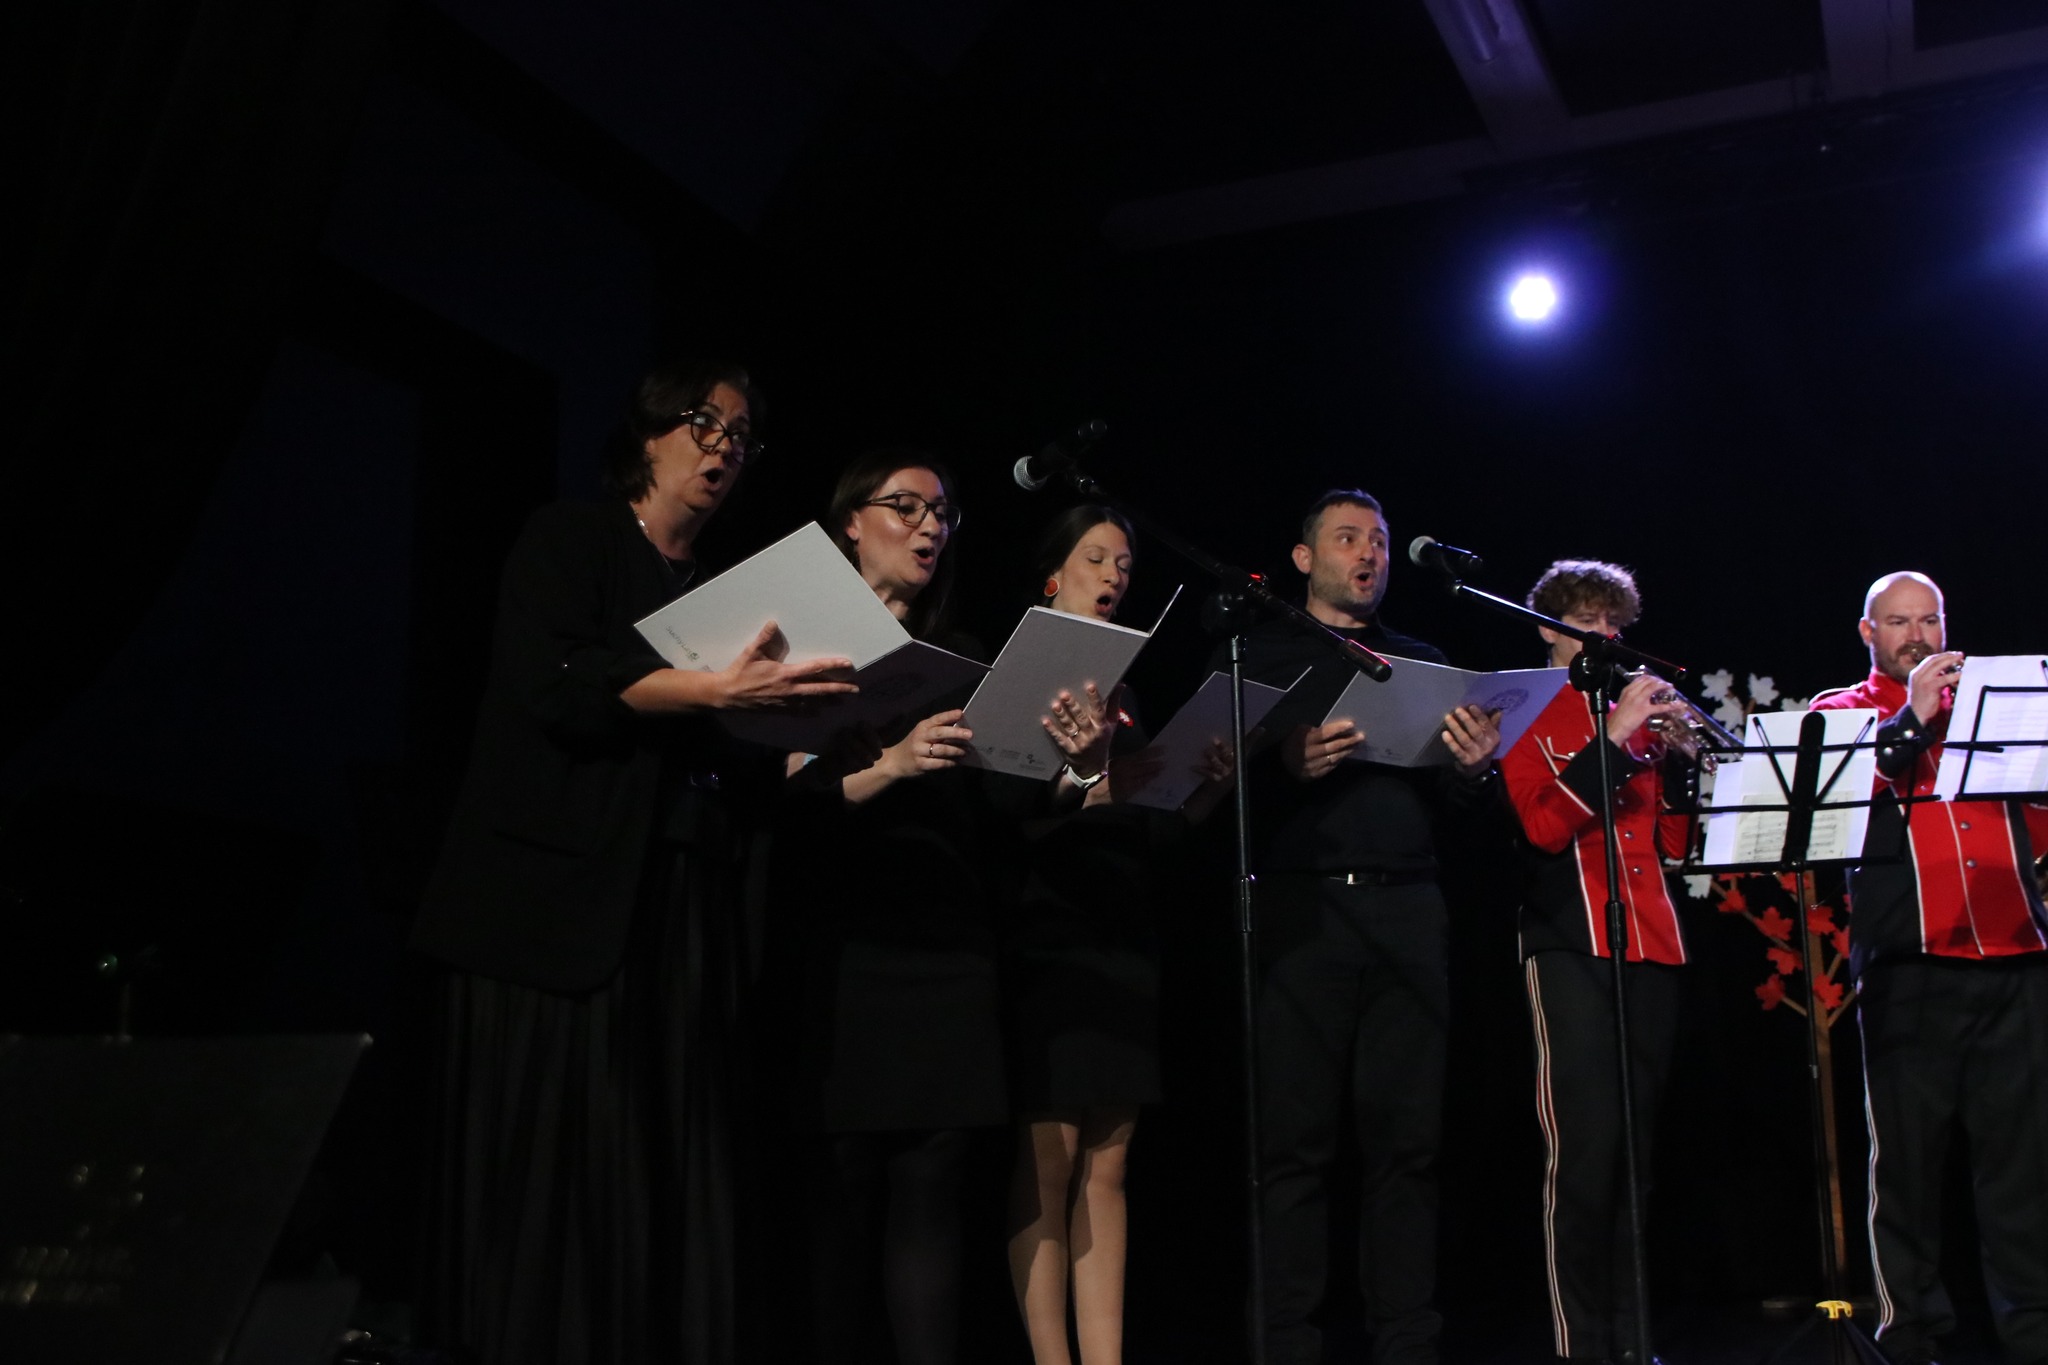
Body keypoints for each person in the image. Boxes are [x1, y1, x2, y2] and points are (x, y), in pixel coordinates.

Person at [411, 361, 858, 1365]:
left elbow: (740, 757)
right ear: (648, 433)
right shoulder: (571, 539)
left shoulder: (725, 592)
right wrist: (712, 693)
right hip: (558, 905)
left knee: (670, 1147)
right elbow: (558, 681)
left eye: (741, 436)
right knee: (561, 1154)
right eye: (705, 423)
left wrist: (823, 727)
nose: (724, 448)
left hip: (684, 897)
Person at [1224, 489, 1501, 1365]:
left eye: (1378, 540)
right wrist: (1286, 761)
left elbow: (1457, 810)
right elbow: (1213, 788)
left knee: (1407, 1143)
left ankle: (1407, 1340)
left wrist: (1473, 770)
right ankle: (1286, 1342)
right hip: (1304, 910)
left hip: (1410, 907)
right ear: (1304, 558)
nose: (1369, 553)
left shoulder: (1420, 661)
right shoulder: (1261, 652)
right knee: (1294, 1144)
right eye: (1347, 538)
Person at [1003, 504, 1232, 1365]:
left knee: (1110, 1162)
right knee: (1051, 1160)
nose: (1113, 575)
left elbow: (1151, 832)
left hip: (1124, 933)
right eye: (1095, 557)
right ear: (1052, 575)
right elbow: (1009, 817)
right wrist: (1087, 780)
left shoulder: (1127, 693)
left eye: (1124, 565)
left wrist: (1206, 789)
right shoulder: (1022, 674)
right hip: (1049, 933)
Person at [791, 450, 1005, 1365]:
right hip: (847, 941)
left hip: (948, 944)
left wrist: (1074, 764)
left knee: (934, 1181)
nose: (929, 526)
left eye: (942, 513)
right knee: (841, 1187)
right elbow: (786, 803)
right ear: (852, 522)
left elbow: (1005, 808)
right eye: (906, 507)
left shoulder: (964, 659)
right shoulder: (804, 649)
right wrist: (892, 764)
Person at [1811, 571, 2048, 1365]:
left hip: (2014, 951)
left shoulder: (1995, 700)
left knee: (2023, 1166)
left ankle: (2033, 1330)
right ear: (1868, 632)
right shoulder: (1841, 710)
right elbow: (1840, 797)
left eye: (1928, 620)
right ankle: (1909, 1334)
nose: (1917, 635)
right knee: (1907, 1165)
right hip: (1910, 963)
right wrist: (1913, 712)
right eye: (1898, 622)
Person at [1498, 560, 1694, 1363]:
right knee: (1583, 1158)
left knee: (1637, 1164)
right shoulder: (1523, 711)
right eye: (1587, 622)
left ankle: (1635, 1343)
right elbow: (1543, 826)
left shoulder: (1630, 714)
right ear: (1550, 630)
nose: (1605, 636)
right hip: (1570, 943)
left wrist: (1678, 763)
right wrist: (1613, 741)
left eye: (1614, 624)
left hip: (1653, 943)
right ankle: (1582, 1347)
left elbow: (1674, 847)